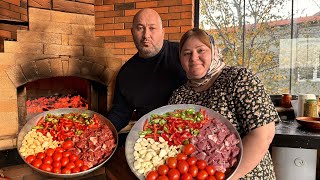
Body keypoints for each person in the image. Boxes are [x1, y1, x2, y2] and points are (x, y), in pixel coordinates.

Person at [168, 28, 279, 179]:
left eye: (201, 50)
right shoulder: (179, 96)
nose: (193, 57)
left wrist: (229, 177)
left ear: (214, 51)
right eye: (186, 53)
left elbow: (263, 135)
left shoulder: (239, 78)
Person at [106, 8, 187, 133]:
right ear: (132, 32)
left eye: (152, 28)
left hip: (187, 132)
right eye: (140, 28)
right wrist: (102, 130)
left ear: (163, 32)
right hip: (150, 140)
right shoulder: (126, 73)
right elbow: (120, 113)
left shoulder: (183, 55)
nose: (146, 35)